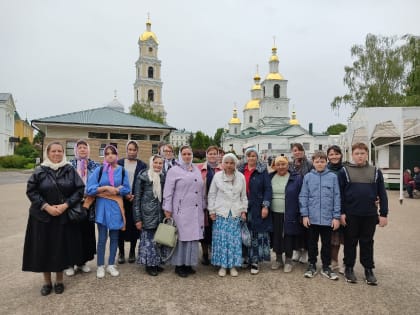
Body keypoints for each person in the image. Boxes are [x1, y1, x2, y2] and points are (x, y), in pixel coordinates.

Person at [22, 142, 85, 296]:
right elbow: (31, 191)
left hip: (62, 216)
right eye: (53, 151)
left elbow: (79, 189)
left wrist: (65, 205)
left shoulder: (69, 170)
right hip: (42, 217)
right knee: (43, 249)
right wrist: (46, 206)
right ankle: (46, 282)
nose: (56, 154)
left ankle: (59, 281)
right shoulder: (40, 171)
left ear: (63, 153)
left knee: (60, 249)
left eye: (59, 151)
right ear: (48, 153)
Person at [338, 142, 388, 285]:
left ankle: (368, 269)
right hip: (351, 214)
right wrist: (341, 213)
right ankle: (349, 268)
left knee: (367, 242)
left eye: (362, 153)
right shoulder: (344, 171)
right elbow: (340, 194)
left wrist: (383, 213)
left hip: (369, 214)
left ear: (367, 154)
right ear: (352, 155)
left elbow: (382, 194)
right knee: (350, 242)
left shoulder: (375, 171)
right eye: (357, 153)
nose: (360, 156)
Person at [87, 145, 130, 278]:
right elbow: (89, 189)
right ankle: (100, 265)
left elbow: (127, 189)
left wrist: (116, 190)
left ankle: (111, 264)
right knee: (102, 238)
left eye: (112, 153)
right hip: (102, 207)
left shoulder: (122, 171)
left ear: (116, 155)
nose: (110, 155)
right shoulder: (99, 170)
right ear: (104, 156)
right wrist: (103, 188)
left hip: (116, 206)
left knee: (115, 237)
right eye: (107, 154)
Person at [162, 145, 205, 278]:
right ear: (180, 155)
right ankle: (179, 265)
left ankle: (189, 264)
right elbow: (168, 191)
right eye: (184, 154)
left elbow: (201, 189)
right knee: (181, 238)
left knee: (192, 238)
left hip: (195, 210)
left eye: (189, 154)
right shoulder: (174, 171)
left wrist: (203, 205)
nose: (187, 156)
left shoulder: (196, 170)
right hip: (180, 210)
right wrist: (167, 208)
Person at [299, 151, 341, 280]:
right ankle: (312, 264)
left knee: (326, 244)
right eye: (317, 161)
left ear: (326, 162)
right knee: (312, 243)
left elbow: (337, 197)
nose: (320, 164)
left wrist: (336, 217)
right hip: (312, 218)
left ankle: (326, 266)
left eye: (322, 161)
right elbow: (303, 196)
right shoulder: (308, 177)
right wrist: (305, 215)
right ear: (313, 162)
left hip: (328, 219)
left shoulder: (333, 177)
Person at [64, 139, 100, 276]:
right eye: (80, 147)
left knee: (86, 233)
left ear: (88, 149)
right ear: (76, 150)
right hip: (73, 204)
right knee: (72, 234)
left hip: (89, 203)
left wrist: (90, 196)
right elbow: (65, 184)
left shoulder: (95, 165)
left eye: (85, 147)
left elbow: (98, 182)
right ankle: (70, 263)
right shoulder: (69, 165)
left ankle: (83, 262)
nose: (83, 150)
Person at [208, 153, 247, 277]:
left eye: (232, 163)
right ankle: (223, 265)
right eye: (227, 162)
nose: (229, 165)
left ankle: (233, 265)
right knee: (222, 240)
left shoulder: (240, 177)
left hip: (235, 213)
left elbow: (244, 196)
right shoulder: (217, 176)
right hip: (221, 212)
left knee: (234, 240)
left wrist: (243, 210)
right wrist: (212, 211)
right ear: (223, 164)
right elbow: (212, 194)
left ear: (235, 164)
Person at [238, 147, 272, 275]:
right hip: (243, 206)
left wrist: (265, 206)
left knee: (256, 234)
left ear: (257, 157)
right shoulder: (241, 170)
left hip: (257, 206)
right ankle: (245, 258)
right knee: (244, 233)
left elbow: (268, 189)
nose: (251, 158)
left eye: (254, 156)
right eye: (249, 155)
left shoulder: (262, 171)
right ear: (246, 157)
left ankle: (255, 261)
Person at [269, 155, 303, 273]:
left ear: (287, 165)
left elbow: (301, 194)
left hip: (290, 211)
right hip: (274, 212)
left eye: (283, 164)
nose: (281, 166)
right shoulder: (271, 176)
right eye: (278, 164)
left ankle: (288, 260)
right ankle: (278, 259)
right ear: (275, 166)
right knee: (276, 235)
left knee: (288, 235)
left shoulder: (295, 177)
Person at [133, 155, 166, 276]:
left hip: (159, 214)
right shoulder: (143, 176)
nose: (158, 165)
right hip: (147, 214)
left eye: (160, 163)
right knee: (148, 241)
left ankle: (156, 263)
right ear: (151, 163)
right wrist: (137, 219)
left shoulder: (163, 176)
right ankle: (149, 265)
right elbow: (137, 199)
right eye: (156, 163)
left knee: (158, 240)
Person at [117, 140, 147, 264]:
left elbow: (144, 182)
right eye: (130, 149)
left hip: (136, 200)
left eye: (134, 149)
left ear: (137, 151)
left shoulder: (142, 165)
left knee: (135, 226)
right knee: (120, 226)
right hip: (121, 199)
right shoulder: (119, 163)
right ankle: (121, 252)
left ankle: (132, 252)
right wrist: (124, 194)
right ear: (126, 150)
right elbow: (116, 180)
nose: (132, 152)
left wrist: (136, 195)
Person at [197, 145, 223, 265]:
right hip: (203, 203)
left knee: (216, 229)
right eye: (210, 153)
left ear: (218, 155)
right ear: (206, 155)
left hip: (218, 204)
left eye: (214, 153)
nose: (212, 156)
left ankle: (215, 253)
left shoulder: (222, 169)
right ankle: (205, 254)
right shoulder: (199, 168)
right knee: (205, 230)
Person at [289, 143, 313, 264]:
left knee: (306, 226)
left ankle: (305, 251)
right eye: (295, 150)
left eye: (299, 150)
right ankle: (297, 249)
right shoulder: (291, 165)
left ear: (303, 151)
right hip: (294, 198)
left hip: (306, 197)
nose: (297, 152)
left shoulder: (309, 164)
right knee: (295, 226)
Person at [327, 145, 345, 274]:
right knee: (333, 237)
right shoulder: (325, 169)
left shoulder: (346, 169)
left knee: (348, 237)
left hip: (346, 205)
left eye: (336, 154)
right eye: (331, 154)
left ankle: (347, 262)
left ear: (341, 155)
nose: (334, 156)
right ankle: (333, 260)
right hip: (329, 206)